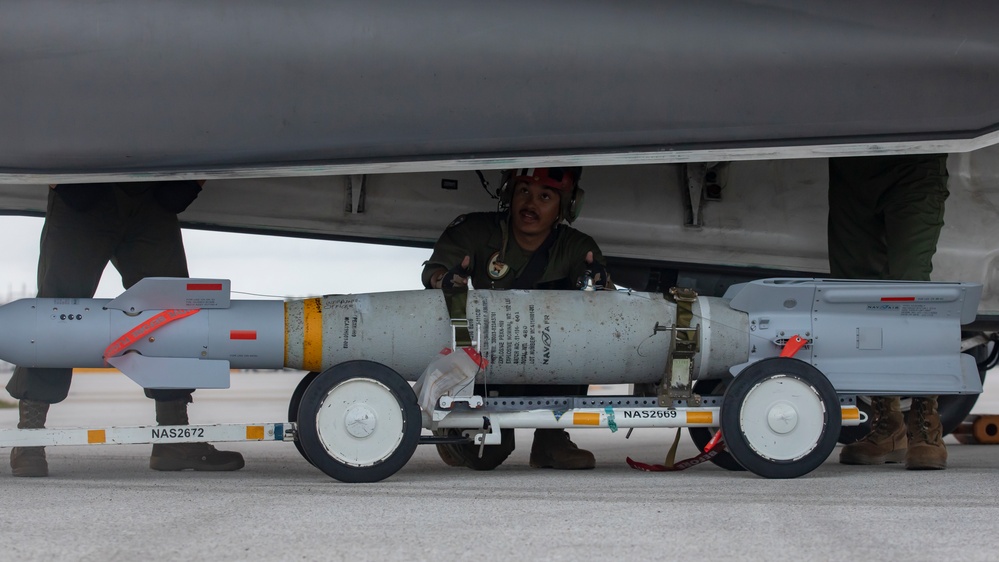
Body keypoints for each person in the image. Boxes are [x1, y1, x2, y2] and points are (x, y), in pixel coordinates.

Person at [6, 181, 244, 477]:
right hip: (84, 185)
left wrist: (194, 179)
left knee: (171, 312)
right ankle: (29, 441)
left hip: (152, 191)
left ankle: (174, 439)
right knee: (58, 314)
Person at [422, 167, 612, 470]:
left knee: (579, 337)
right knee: (487, 457)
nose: (530, 204)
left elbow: (597, 289)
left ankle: (551, 439)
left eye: (545, 197)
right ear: (510, 193)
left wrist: (599, 283)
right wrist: (446, 279)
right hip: (493, 355)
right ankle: (455, 430)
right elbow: (436, 270)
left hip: (553, 359)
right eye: (524, 191)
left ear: (565, 207)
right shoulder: (476, 230)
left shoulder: (576, 246)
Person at [829, 154, 950, 470]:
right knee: (856, 296)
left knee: (913, 293)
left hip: (914, 161)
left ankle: (925, 426)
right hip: (851, 165)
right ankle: (888, 426)